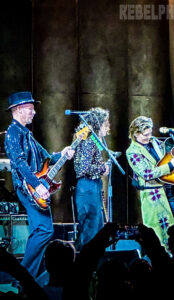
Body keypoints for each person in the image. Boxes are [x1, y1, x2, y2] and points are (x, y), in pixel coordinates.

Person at [4, 91, 75, 279]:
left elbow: (47, 158)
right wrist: (37, 185)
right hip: (28, 189)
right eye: (30, 109)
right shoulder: (13, 133)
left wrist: (63, 154)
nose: (34, 113)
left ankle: (27, 277)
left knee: (40, 230)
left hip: (35, 187)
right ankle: (24, 276)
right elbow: (19, 163)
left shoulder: (27, 134)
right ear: (18, 110)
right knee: (44, 230)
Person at [126, 115, 174, 255]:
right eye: (145, 135)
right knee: (164, 234)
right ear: (136, 134)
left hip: (171, 189)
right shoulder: (132, 152)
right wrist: (170, 165)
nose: (149, 137)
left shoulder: (155, 142)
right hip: (154, 195)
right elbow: (147, 173)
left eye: (150, 133)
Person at [73, 107, 110, 250]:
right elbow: (82, 169)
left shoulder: (92, 141)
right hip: (87, 188)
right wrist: (102, 168)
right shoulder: (88, 141)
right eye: (106, 123)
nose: (108, 126)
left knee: (96, 231)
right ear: (98, 124)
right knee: (90, 233)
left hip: (92, 187)